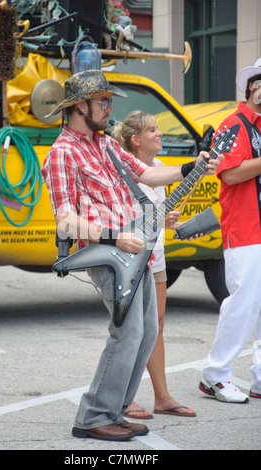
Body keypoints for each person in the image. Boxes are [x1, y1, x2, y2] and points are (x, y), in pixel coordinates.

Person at [41, 69, 222, 441]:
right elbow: (64, 220)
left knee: (147, 330)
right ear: (80, 106)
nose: (109, 109)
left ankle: (115, 409)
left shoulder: (105, 145)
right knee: (129, 332)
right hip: (108, 253)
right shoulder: (62, 153)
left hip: (134, 249)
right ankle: (92, 416)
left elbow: (149, 175)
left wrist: (195, 165)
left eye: (109, 102)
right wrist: (115, 236)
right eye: (102, 102)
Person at [112, 110, 197, 419]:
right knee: (132, 329)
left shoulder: (160, 167)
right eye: (153, 131)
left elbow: (156, 218)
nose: (160, 134)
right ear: (135, 140)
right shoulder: (123, 169)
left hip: (156, 255)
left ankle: (162, 397)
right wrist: (156, 220)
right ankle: (124, 397)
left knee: (156, 326)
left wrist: (171, 220)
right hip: (132, 257)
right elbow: (123, 218)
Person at [199, 58, 261, 403]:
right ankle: (215, 375)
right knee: (242, 304)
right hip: (245, 229)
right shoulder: (233, 124)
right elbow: (231, 173)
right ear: (254, 87)